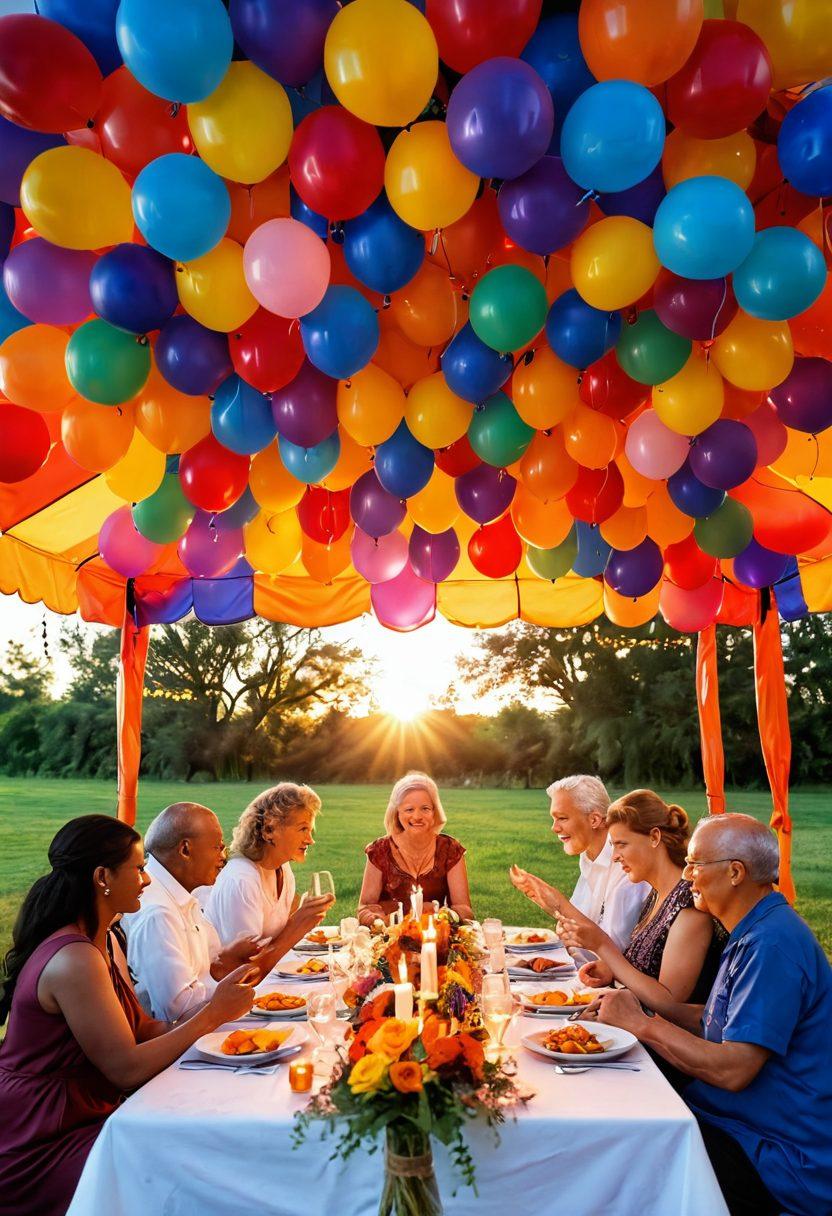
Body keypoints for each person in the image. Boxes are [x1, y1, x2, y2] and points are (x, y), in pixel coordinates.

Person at [0, 815, 256, 1216]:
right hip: (46, 1132)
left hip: (88, 1110)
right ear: (102, 877)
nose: (147, 879)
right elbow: (126, 1069)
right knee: (186, 1168)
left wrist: (218, 1007)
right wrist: (211, 1017)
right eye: (138, 869)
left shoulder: (103, 940)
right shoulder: (74, 958)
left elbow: (143, 1028)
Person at [588, 813, 832, 1216]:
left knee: (625, 1149)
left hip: (779, 1157)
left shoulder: (772, 945)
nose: (686, 876)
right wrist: (637, 1007)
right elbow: (717, 1019)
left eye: (694, 864)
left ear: (735, 872)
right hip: (737, 1123)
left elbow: (734, 1069)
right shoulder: (755, 928)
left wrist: (642, 1024)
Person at [556, 790, 725, 1005]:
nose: (615, 857)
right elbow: (645, 969)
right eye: (613, 846)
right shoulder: (657, 894)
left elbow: (670, 1003)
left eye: (622, 844)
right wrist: (610, 970)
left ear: (654, 837)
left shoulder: (689, 905)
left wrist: (602, 945)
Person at [121, 802, 265, 1022]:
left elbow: (200, 975)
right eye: (217, 847)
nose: (223, 857)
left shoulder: (179, 894)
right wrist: (236, 992)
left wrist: (224, 963)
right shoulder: (158, 913)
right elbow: (178, 1010)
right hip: (185, 1037)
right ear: (185, 850)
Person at [510, 774, 649, 949]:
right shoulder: (589, 858)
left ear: (594, 820)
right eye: (554, 819)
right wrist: (553, 909)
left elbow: (615, 946)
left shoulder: (625, 866)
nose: (554, 828)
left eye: (562, 818)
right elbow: (574, 927)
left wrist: (559, 904)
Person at [207, 783, 333, 969]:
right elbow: (244, 967)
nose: (310, 840)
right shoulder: (242, 880)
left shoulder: (282, 869)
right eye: (303, 829)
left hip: (269, 975)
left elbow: (277, 944)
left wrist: (304, 919)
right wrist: (299, 922)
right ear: (269, 830)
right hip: (230, 983)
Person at [357, 772, 473, 925]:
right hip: (389, 936)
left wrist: (441, 913)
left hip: (435, 934)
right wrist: (375, 919)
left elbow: (465, 910)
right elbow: (364, 907)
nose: (417, 816)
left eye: (425, 808)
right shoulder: (379, 850)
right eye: (409, 809)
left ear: (434, 812)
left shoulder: (450, 850)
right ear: (397, 812)